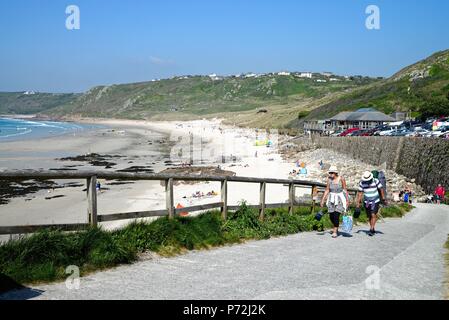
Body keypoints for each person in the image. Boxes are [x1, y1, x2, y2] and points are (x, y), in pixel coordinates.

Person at [320, 165, 349, 238]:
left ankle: (335, 231)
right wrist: (323, 199)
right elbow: (327, 190)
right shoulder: (329, 179)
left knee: (336, 215)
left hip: (339, 199)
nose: (331, 174)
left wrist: (347, 200)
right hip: (331, 199)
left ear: (336, 173)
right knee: (331, 216)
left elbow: (345, 190)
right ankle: (336, 226)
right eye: (330, 173)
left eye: (332, 173)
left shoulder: (341, 179)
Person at [356, 171, 387, 237]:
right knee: (369, 215)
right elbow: (360, 193)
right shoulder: (362, 183)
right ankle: (372, 227)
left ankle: (371, 229)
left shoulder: (375, 181)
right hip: (366, 202)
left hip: (375, 201)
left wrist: (383, 197)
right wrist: (358, 203)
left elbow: (381, 188)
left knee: (373, 214)